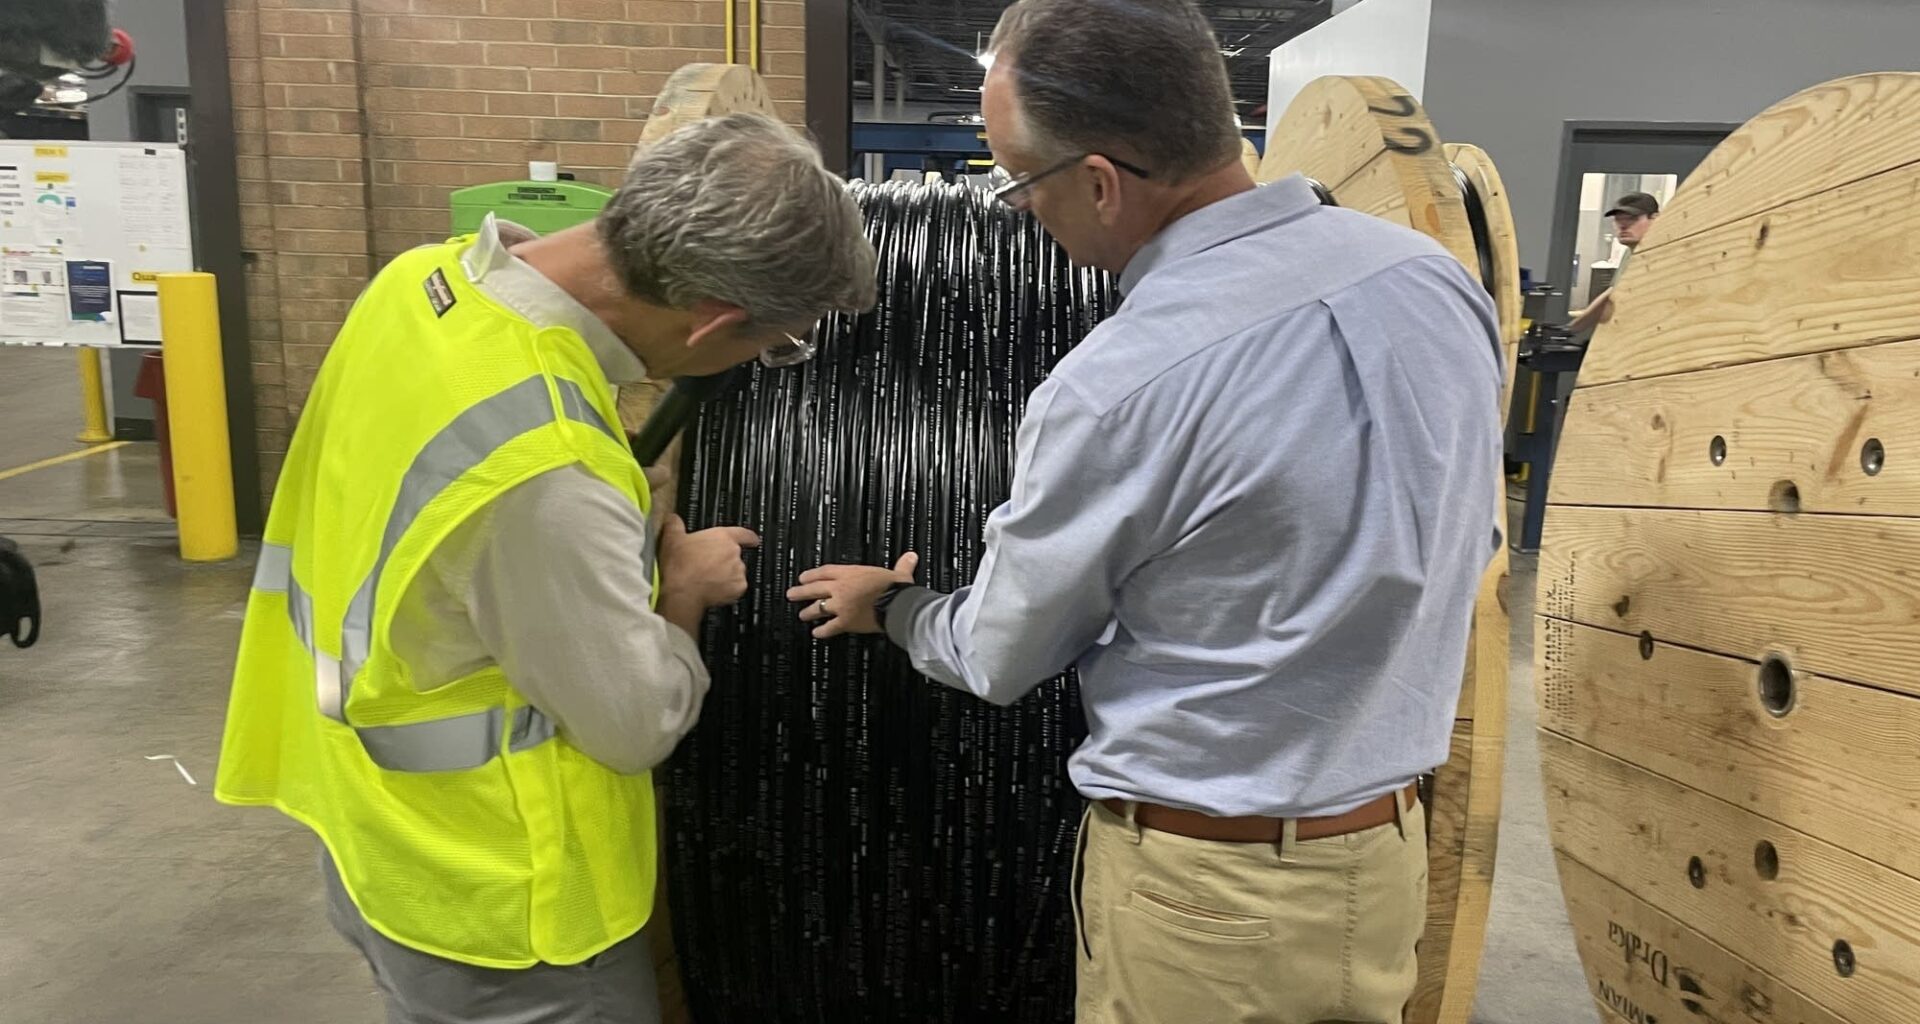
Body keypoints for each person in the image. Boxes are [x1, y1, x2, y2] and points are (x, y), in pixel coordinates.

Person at [785, 1, 1503, 1021]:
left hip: (1208, 902)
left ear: (1099, 183)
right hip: (1382, 866)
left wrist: (897, 606)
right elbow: (1466, 536)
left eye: (1020, 182)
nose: (1020, 209)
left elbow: (1000, 654)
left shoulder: (1122, 383)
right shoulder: (1433, 283)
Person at [214, 113, 876, 1024]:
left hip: (373, 836)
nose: (768, 360)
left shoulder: (418, 283)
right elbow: (633, 724)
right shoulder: (545, 471)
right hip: (505, 909)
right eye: (776, 343)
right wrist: (683, 591)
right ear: (716, 318)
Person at [1569, 191, 1660, 331]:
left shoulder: (1660, 254)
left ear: (1655, 219)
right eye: (1618, 219)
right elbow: (1612, 295)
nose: (1623, 226)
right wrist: (1570, 329)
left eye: (1632, 219)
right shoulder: (1630, 253)